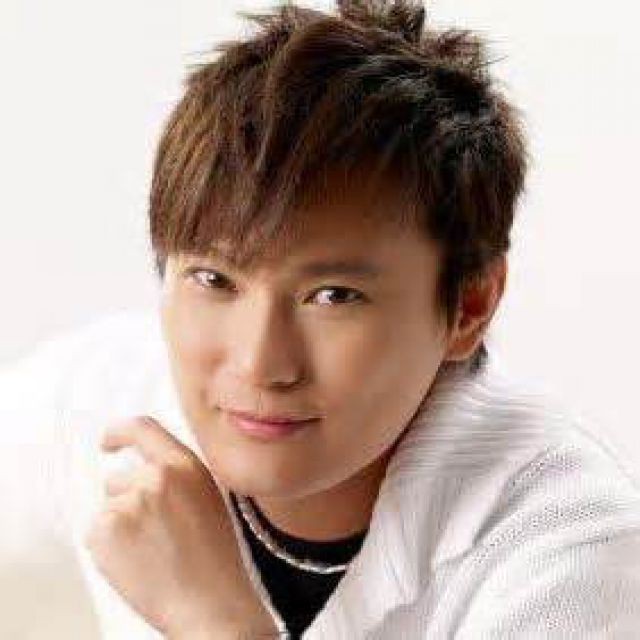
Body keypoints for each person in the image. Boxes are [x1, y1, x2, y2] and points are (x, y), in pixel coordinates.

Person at [2, 0, 640, 638]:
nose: (260, 363)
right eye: (214, 280)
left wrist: (218, 622)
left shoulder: (569, 542)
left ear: (469, 306)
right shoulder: (100, 399)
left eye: (333, 296)